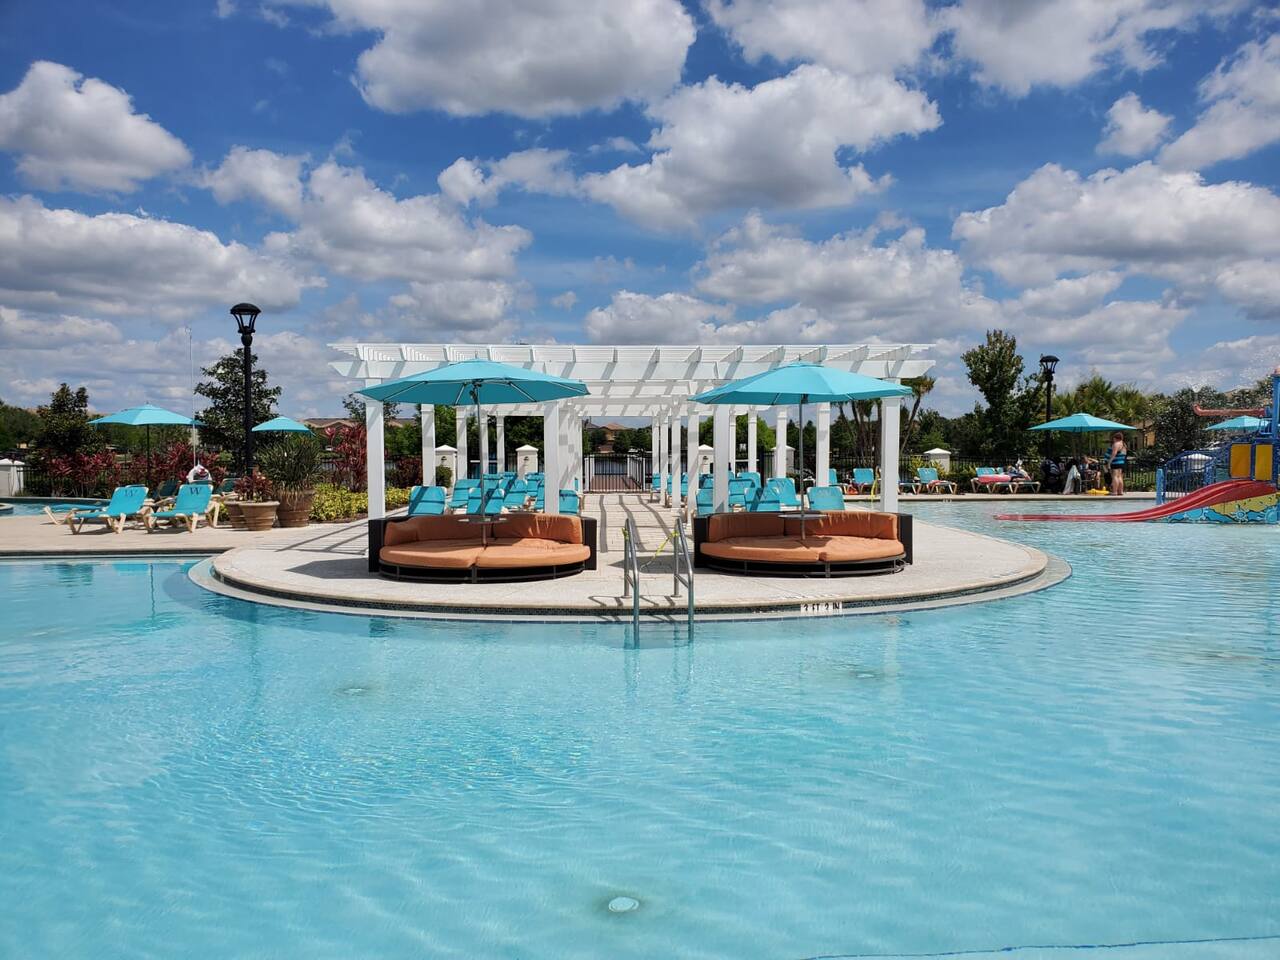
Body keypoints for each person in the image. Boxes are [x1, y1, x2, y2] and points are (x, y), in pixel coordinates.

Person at [1105, 431, 1127, 496]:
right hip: (1121, 462)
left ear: (1115, 438)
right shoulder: (1123, 444)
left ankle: (1114, 491)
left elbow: (1114, 454)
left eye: (1113, 438)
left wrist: (1109, 462)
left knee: (1115, 476)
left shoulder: (1116, 444)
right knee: (1119, 477)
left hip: (1116, 462)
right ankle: (1120, 491)